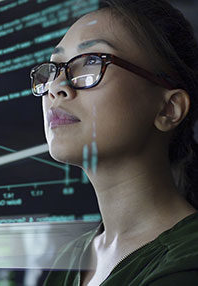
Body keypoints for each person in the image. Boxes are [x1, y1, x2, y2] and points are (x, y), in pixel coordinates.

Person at [29, 0, 198, 285]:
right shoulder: (69, 259)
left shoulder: (187, 263)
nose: (57, 88)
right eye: (53, 70)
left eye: (92, 62)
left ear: (169, 109)